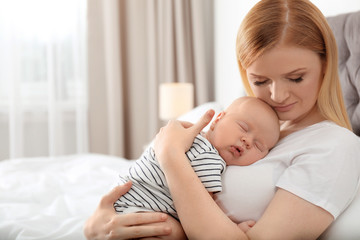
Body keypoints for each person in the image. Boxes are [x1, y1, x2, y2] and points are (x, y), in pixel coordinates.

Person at [84, 0, 360, 239]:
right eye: (260, 80)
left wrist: (170, 154)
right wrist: (95, 226)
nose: (277, 95)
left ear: (326, 66)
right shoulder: (259, 125)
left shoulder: (335, 146)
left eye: (296, 77)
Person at [113, 96, 279, 225]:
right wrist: (235, 228)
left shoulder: (190, 137)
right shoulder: (208, 156)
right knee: (171, 232)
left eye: (258, 145)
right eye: (243, 127)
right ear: (217, 119)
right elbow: (203, 210)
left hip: (125, 201)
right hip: (139, 207)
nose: (248, 141)